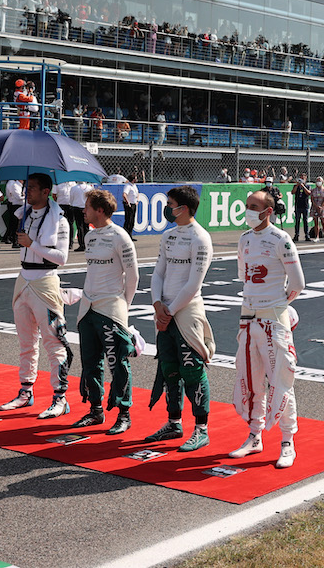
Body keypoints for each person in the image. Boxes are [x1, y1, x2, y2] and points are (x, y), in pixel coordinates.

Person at [230, 187, 304, 469]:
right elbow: (243, 277)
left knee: (281, 379)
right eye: (247, 204)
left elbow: (297, 284)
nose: (248, 210)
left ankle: (287, 442)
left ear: (268, 211)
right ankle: (254, 435)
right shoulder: (245, 239)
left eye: (253, 205)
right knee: (251, 380)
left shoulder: (281, 239)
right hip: (247, 318)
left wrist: (276, 306)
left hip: (274, 319)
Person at [0, 172, 73, 418]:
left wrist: (33, 244)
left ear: (46, 192)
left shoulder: (60, 220)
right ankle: (25, 392)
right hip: (23, 280)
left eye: (31, 188)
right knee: (26, 343)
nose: (26, 192)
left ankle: (60, 398)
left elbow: (62, 258)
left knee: (54, 343)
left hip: (46, 282)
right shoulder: (24, 214)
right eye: (26, 187)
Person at [146, 185, 214, 452]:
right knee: (169, 370)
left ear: (183, 208)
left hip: (186, 313)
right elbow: (158, 273)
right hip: (164, 313)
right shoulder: (169, 236)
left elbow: (194, 284)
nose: (167, 208)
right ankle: (174, 423)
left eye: (170, 203)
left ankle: (201, 429)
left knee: (192, 370)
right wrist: (156, 305)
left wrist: (169, 311)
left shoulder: (201, 238)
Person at [71, 189, 139, 434]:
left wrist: (124, 306)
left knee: (117, 362)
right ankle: (95, 411)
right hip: (87, 307)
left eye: (87, 206)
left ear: (100, 210)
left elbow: (133, 276)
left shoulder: (120, 236)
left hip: (111, 307)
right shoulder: (89, 237)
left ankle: (124, 414)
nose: (83, 210)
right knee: (90, 364)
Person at [291, 177, 311, 242]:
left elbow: (308, 193)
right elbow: (292, 192)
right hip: (298, 206)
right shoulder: (296, 186)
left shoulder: (307, 186)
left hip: (305, 206)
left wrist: (303, 186)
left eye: (303, 179)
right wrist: (297, 185)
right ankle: (296, 235)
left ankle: (307, 235)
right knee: (297, 221)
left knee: (305, 221)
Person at [309, 177, 324, 243]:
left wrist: (321, 206)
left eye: (319, 181)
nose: (318, 182)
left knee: (323, 222)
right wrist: (316, 206)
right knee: (316, 222)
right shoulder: (313, 190)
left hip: (322, 207)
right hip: (315, 207)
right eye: (317, 181)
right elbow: (312, 199)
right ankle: (317, 237)